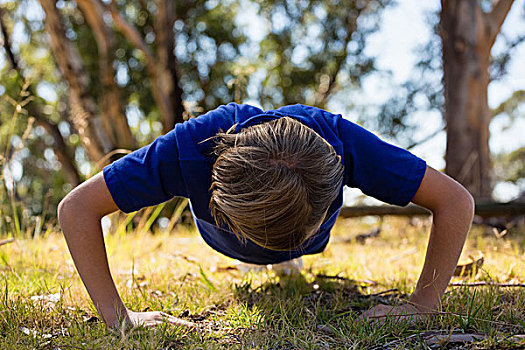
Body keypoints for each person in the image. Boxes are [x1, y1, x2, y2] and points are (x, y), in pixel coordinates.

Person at [57, 103, 475, 328]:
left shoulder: (344, 142)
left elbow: (456, 201)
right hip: (222, 236)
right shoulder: (189, 148)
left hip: (310, 234)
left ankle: (292, 254)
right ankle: (268, 242)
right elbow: (76, 208)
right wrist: (118, 317)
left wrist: (425, 303)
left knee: (292, 241)